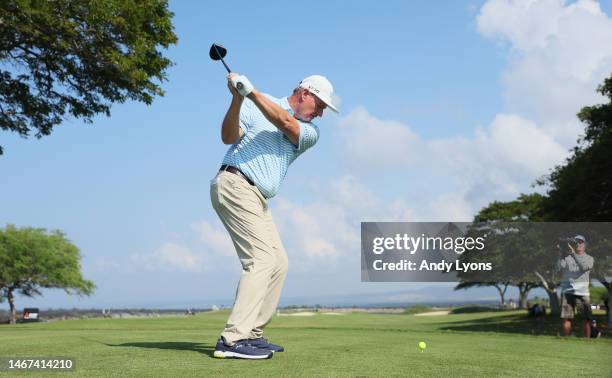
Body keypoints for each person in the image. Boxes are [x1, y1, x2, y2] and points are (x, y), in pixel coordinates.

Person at [210, 72, 338, 359]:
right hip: (234, 184)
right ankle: (232, 340)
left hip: (258, 198)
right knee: (261, 260)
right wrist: (236, 100)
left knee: (279, 262)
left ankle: (252, 333)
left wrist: (250, 93)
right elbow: (228, 137)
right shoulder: (255, 102)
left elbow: (283, 121)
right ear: (305, 93)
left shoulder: (309, 132)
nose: (320, 114)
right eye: (319, 106)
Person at [557, 235, 594, 338]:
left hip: (583, 292)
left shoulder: (589, 258)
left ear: (585, 245)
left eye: (581, 242)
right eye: (576, 241)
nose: (578, 243)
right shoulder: (567, 257)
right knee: (567, 318)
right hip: (567, 291)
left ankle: (587, 341)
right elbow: (559, 269)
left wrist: (573, 254)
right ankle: (567, 341)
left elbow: (584, 267)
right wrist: (560, 255)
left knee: (586, 318)